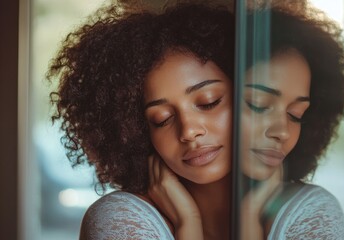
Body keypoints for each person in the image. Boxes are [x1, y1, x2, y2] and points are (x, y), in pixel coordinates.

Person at [47, 2, 234, 239]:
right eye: (161, 119)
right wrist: (189, 225)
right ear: (138, 131)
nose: (188, 131)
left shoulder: (290, 211)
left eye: (209, 102)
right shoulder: (120, 220)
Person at [239, 3, 344, 240]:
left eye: (296, 115)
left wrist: (249, 222)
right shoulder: (147, 216)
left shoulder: (313, 215)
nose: (282, 131)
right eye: (258, 104)